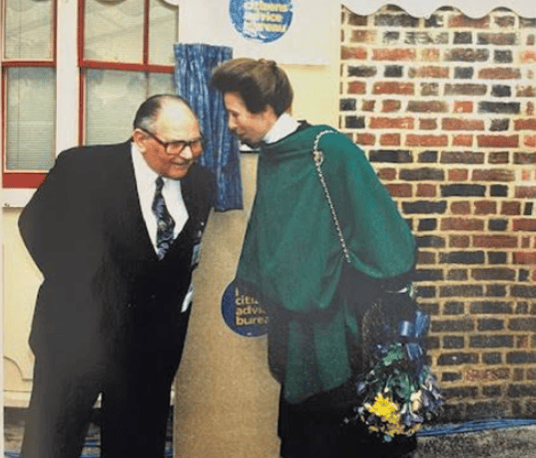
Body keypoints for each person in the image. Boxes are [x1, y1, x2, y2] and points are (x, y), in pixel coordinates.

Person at [211, 59, 419, 458]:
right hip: (293, 329)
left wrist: (343, 284)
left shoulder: (330, 150)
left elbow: (388, 236)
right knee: (302, 434)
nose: (231, 124)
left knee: (338, 435)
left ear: (266, 109)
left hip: (337, 331)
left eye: (235, 114)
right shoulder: (275, 153)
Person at [18, 94, 215, 458]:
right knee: (52, 443)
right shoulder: (82, 168)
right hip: (76, 337)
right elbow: (35, 226)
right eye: (175, 144)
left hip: (149, 349)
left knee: (137, 445)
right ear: (140, 139)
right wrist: (84, 289)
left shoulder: (201, 184)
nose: (187, 154)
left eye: (195, 143)